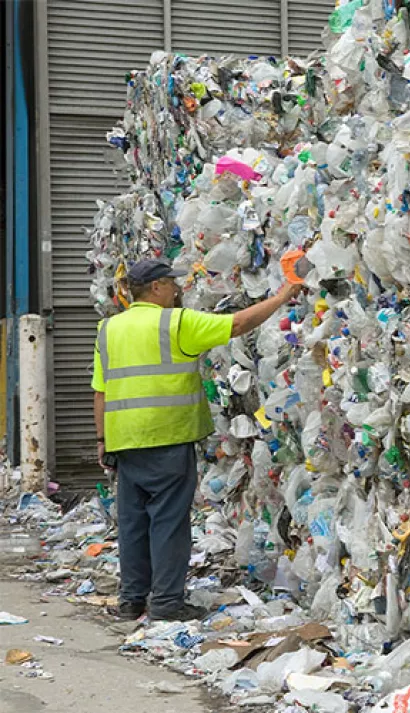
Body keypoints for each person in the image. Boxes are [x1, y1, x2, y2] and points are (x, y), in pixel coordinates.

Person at [92, 259, 302, 621]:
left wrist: (101, 440)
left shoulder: (108, 329)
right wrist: (283, 296)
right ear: (156, 287)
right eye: (172, 284)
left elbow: (100, 392)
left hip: (124, 440)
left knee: (132, 523)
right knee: (168, 522)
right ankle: (167, 604)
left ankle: (131, 601)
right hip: (167, 436)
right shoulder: (174, 323)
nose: (177, 290)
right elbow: (238, 324)